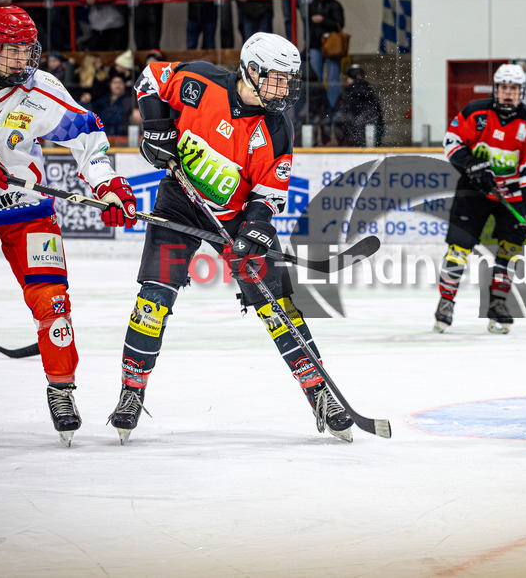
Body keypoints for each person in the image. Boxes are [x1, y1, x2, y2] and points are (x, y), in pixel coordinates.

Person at [107, 32, 354, 444]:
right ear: (251, 70)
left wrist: (254, 233)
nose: (285, 89)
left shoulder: (277, 130)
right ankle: (131, 392)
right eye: (277, 79)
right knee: (154, 298)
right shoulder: (199, 81)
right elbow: (149, 79)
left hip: (235, 218)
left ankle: (320, 394)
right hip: (178, 204)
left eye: (288, 80)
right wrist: (156, 128)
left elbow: (268, 196)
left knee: (277, 303)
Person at [0, 5, 138, 447]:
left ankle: (62, 390)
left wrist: (108, 184)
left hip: (28, 209)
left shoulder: (44, 90)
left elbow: (87, 139)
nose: (21, 60)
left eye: (26, 50)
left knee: (53, 303)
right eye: (11, 51)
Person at [434, 64, 526, 334]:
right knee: (459, 247)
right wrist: (471, 164)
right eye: (504, 88)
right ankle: (446, 302)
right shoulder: (475, 112)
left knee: (510, 249)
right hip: (474, 189)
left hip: (512, 195)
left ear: (522, 92)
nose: (509, 94)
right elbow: (451, 143)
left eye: (514, 89)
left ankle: (497, 303)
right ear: (496, 89)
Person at [307, 0, 345, 109]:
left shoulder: (335, 5)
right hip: (315, 45)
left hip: (332, 46)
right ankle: (318, 106)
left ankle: (333, 107)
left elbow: (339, 24)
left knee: (333, 78)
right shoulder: (311, 5)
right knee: (315, 79)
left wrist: (323, 21)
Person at [331, 64, 384, 147]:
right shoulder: (371, 95)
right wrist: (377, 140)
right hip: (368, 139)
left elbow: (339, 119)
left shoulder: (345, 95)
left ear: (350, 78)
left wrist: (341, 141)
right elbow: (379, 121)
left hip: (349, 141)